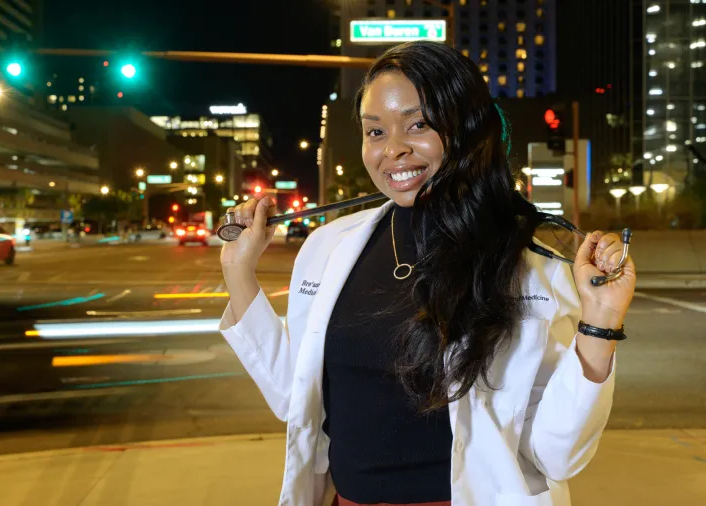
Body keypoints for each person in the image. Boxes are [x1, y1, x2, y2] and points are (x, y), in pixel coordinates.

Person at [219, 41, 636, 506]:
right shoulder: (326, 248)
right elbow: (294, 400)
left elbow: (556, 456)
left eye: (418, 124)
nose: (393, 150)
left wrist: (599, 325)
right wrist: (239, 272)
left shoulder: (531, 267)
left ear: (466, 129)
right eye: (375, 132)